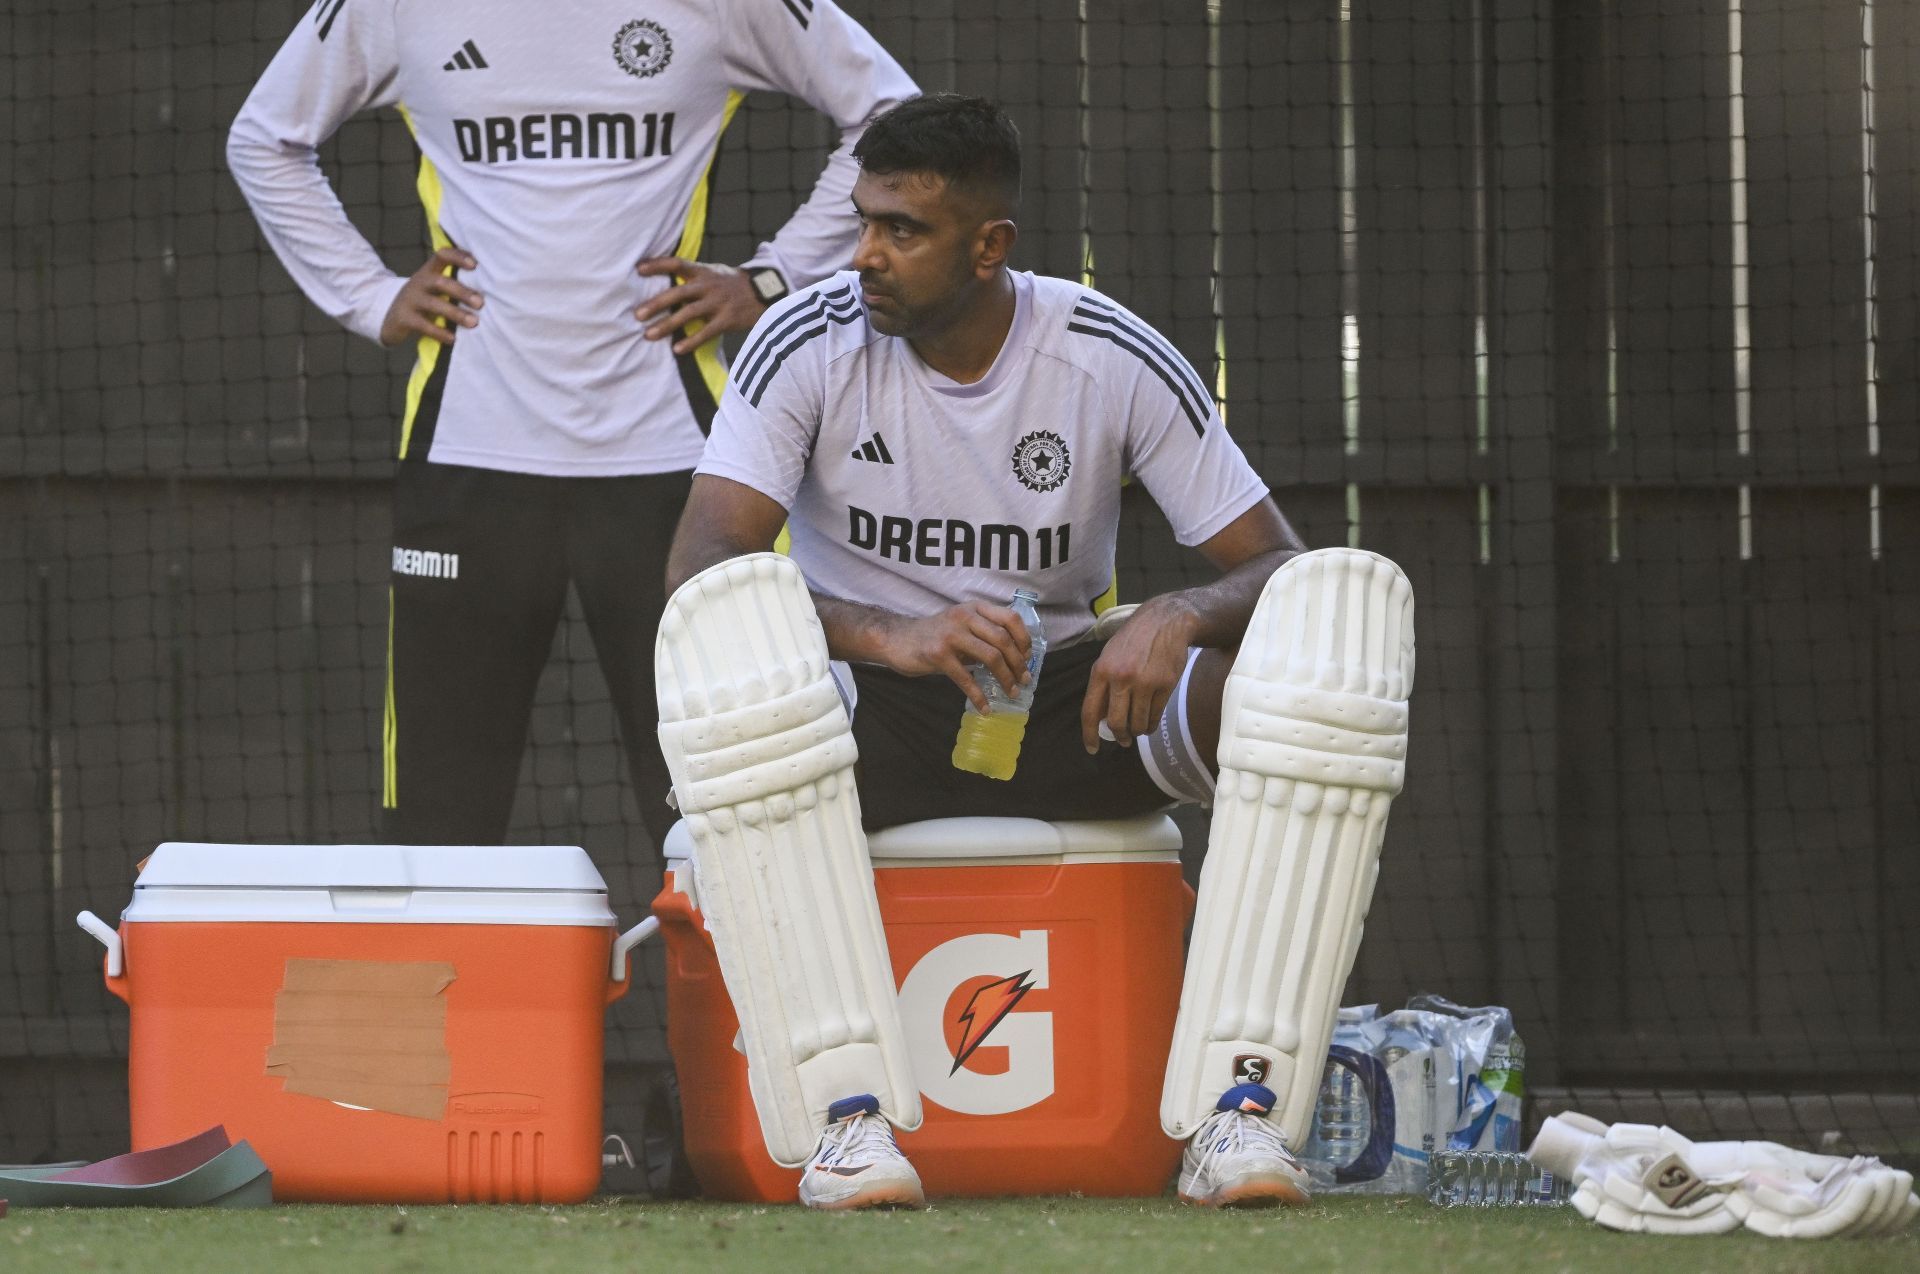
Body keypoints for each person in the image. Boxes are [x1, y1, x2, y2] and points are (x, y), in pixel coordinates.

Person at [656, 94, 1414, 1210]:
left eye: (902, 230)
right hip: (867, 705)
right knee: (754, 672)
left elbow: (1284, 571)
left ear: (989, 244)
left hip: (1065, 695)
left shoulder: (1104, 351)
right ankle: (844, 1125)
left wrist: (1179, 613)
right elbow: (701, 570)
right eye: (864, 220)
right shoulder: (805, 338)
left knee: (1313, 663)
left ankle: (1238, 1112)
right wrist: (893, 635)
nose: (865, 253)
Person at [227, 0, 917, 848]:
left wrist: (769, 280)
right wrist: (371, 297)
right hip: (469, 457)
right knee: (441, 825)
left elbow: (891, 114)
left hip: (678, 475)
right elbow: (265, 138)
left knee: (732, 810)